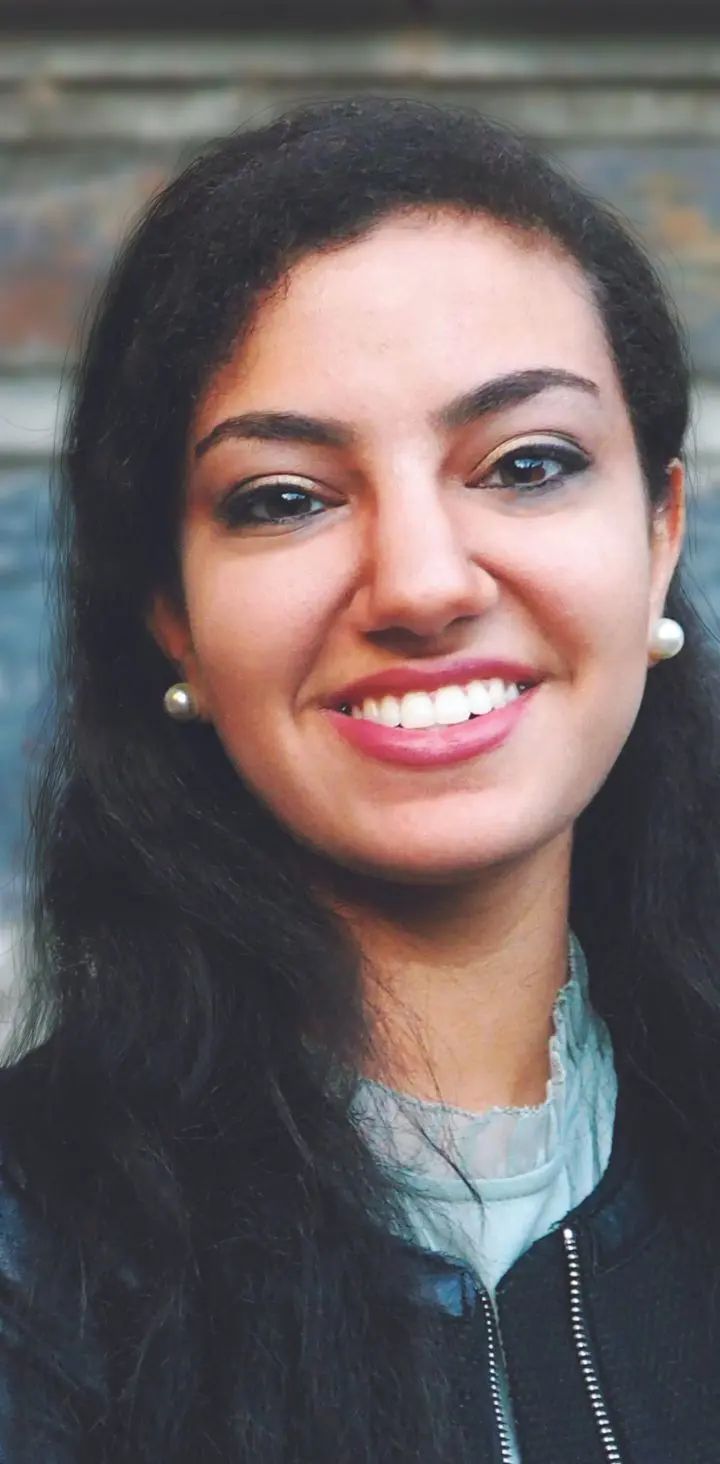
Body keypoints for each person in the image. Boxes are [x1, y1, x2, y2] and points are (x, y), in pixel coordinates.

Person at [0, 93, 717, 1463]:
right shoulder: (27, 1274)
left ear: (659, 535)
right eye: (284, 496)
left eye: (526, 464)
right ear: (173, 617)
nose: (424, 583)